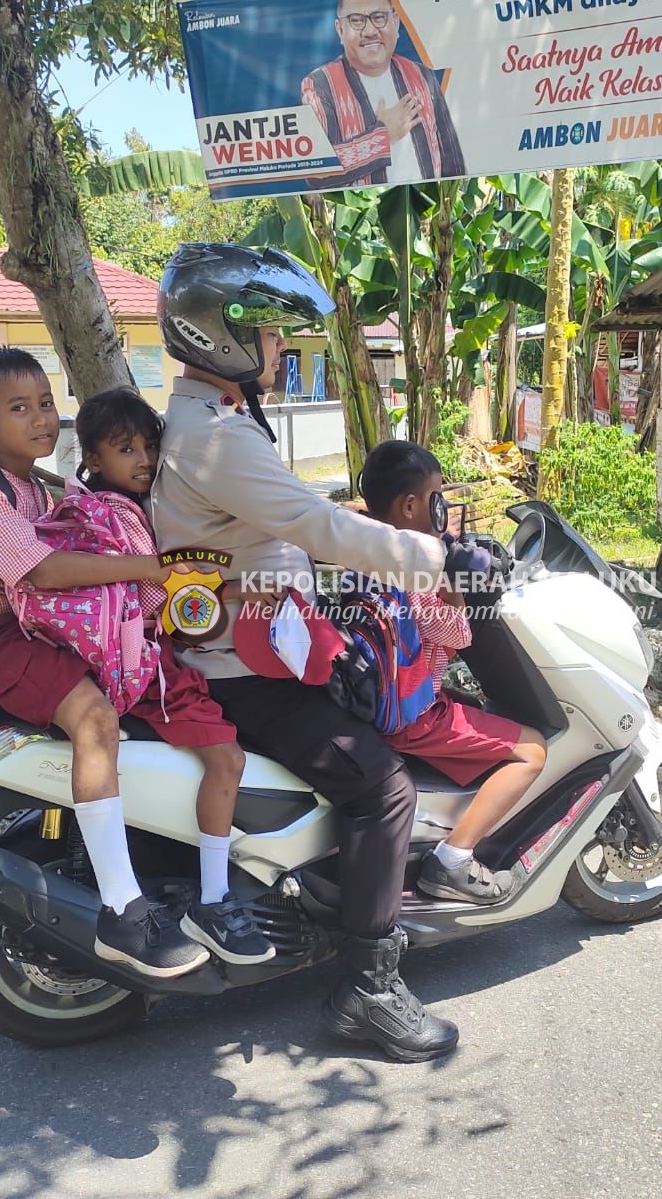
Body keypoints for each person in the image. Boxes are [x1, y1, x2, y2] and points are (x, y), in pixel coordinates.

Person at [150, 243, 492, 1063]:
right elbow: (317, 528)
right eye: (266, 332)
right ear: (220, 336)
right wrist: (441, 556)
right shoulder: (215, 434)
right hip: (243, 670)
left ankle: (328, 893)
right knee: (383, 787)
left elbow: (293, 513)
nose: (277, 347)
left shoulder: (212, 421)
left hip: (256, 646)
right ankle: (368, 990)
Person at [0, 346, 207, 981]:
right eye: (18, 408)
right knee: (94, 718)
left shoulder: (32, 485)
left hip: (31, 624)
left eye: (46, 404)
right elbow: (43, 572)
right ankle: (122, 909)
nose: (40, 420)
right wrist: (155, 569)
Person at [74, 386, 272, 966]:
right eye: (124, 449)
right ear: (92, 459)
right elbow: (166, 601)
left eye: (150, 446)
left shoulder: (127, 510)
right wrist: (247, 588)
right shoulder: (120, 518)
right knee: (227, 757)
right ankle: (214, 898)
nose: (142, 459)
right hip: (145, 669)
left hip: (134, 659)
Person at [357, 440, 548, 904]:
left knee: (477, 707)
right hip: (414, 712)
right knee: (534, 752)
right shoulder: (415, 566)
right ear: (409, 506)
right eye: (435, 499)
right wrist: (457, 589)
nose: (442, 508)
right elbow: (459, 634)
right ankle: (453, 860)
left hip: (384, 695)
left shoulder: (363, 543)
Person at [301, 0, 465, 188]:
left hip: (431, 214)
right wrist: (382, 136)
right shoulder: (320, 85)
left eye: (379, 18)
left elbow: (453, 165)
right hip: (370, 216)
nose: (370, 31)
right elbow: (317, 170)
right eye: (356, 20)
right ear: (340, 30)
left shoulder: (422, 77)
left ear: (395, 22)